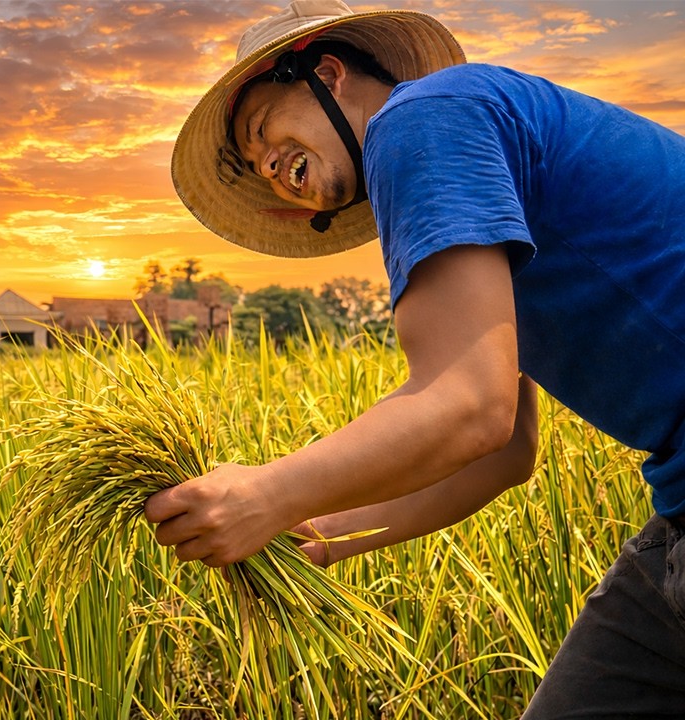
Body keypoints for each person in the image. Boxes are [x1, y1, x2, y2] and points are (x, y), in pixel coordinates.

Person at [146, 0, 684, 715]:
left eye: (261, 131)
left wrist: (266, 492)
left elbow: (469, 406)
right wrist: (313, 532)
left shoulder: (423, 118)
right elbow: (503, 454)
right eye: (256, 166)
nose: (269, 166)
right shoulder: (472, 178)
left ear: (328, 75)